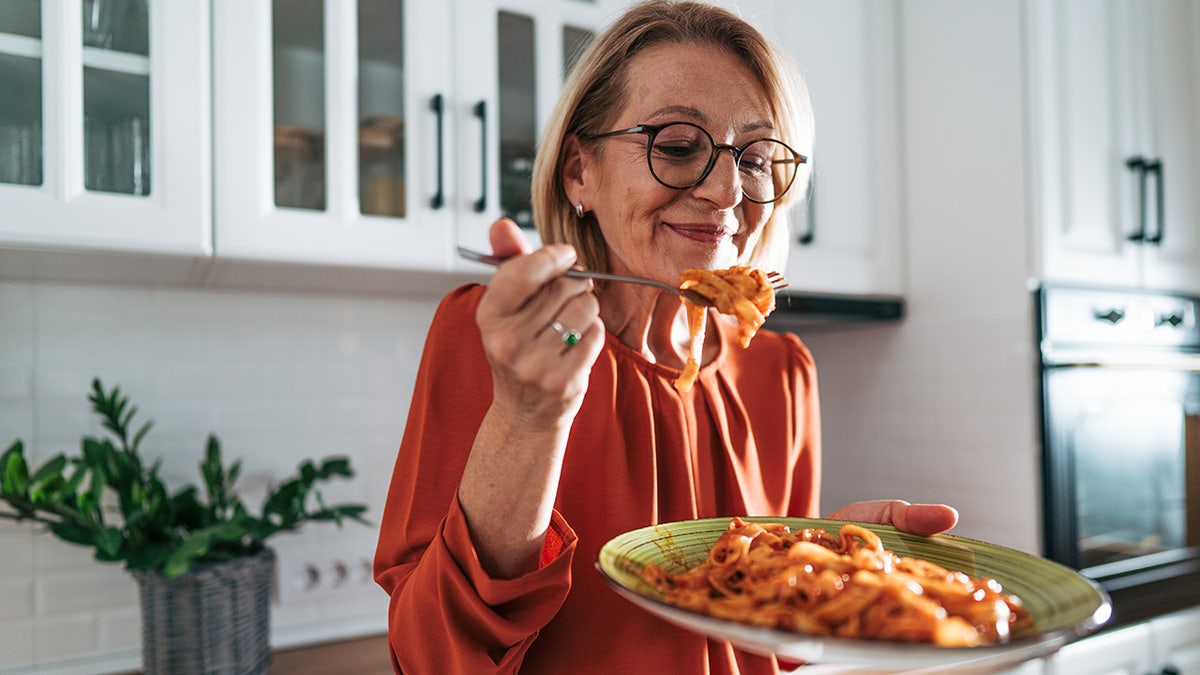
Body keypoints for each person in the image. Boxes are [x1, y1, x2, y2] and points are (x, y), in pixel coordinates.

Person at [374, 2, 958, 672]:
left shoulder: (782, 370)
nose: (726, 190)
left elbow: (771, 645)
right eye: (679, 146)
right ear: (578, 173)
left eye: (758, 157)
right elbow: (430, 657)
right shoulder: (497, 340)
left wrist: (825, 569)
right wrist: (528, 415)